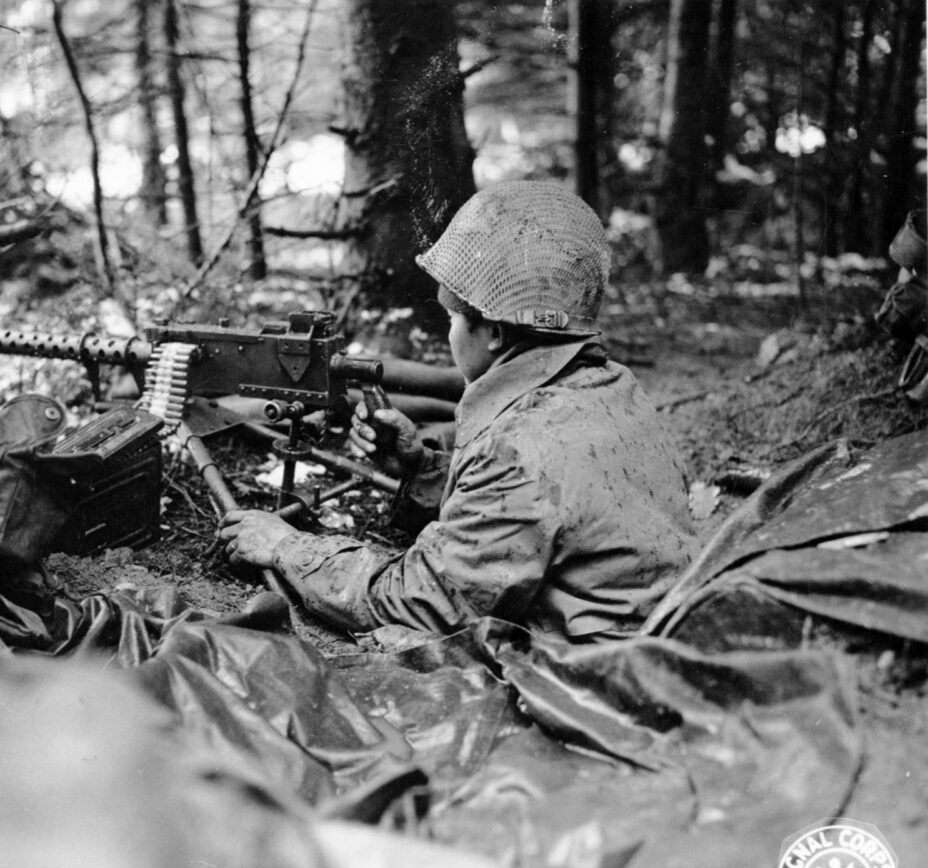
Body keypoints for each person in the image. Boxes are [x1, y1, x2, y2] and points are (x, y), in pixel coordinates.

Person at [218, 181, 697, 643]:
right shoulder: (611, 387)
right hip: (655, 633)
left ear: (491, 333)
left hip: (597, 673)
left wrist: (286, 547)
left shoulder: (516, 450)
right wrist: (422, 468)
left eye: (452, 318)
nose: (450, 335)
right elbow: (546, 510)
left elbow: (418, 602)